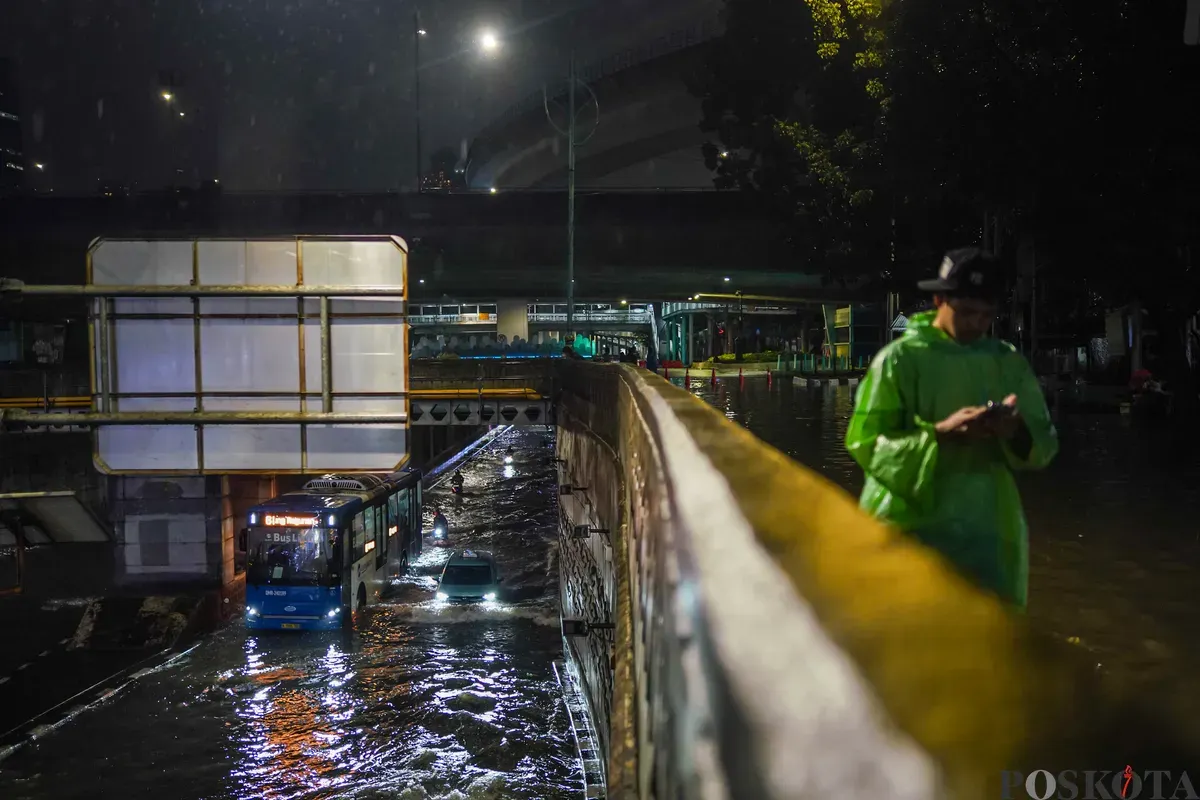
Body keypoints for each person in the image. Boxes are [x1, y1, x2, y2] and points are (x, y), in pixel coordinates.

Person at [844, 247, 1059, 610]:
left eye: (986, 315)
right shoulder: (898, 360)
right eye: (968, 312)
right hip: (909, 527)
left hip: (988, 532)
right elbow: (865, 442)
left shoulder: (1007, 362)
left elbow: (1043, 444)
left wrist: (1014, 429)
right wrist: (940, 435)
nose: (976, 324)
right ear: (939, 299)